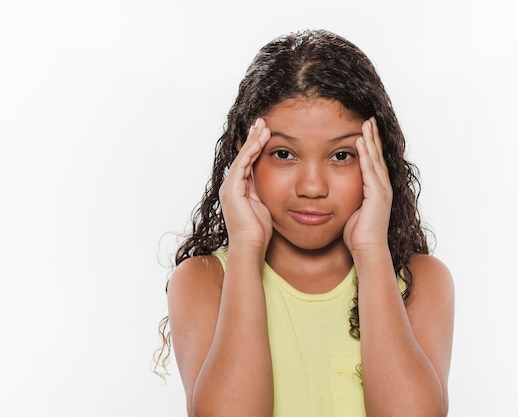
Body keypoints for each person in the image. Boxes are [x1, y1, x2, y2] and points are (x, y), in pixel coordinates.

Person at [155, 29, 455, 417]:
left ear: (379, 160)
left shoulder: (420, 281)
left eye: (342, 155)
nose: (312, 187)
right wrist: (246, 248)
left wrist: (371, 252)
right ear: (244, 156)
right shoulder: (204, 280)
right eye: (283, 153)